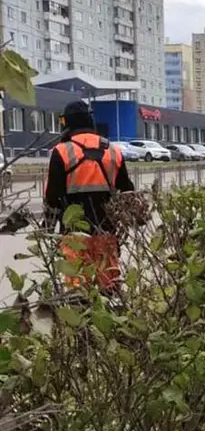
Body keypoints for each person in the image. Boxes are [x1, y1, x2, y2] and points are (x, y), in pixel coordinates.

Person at [43, 101, 135, 293]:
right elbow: (127, 190)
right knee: (108, 286)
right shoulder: (113, 150)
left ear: (67, 123)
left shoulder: (61, 151)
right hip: (106, 228)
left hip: (74, 232)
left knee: (78, 289)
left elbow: (52, 196)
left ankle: (82, 321)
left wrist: (48, 228)